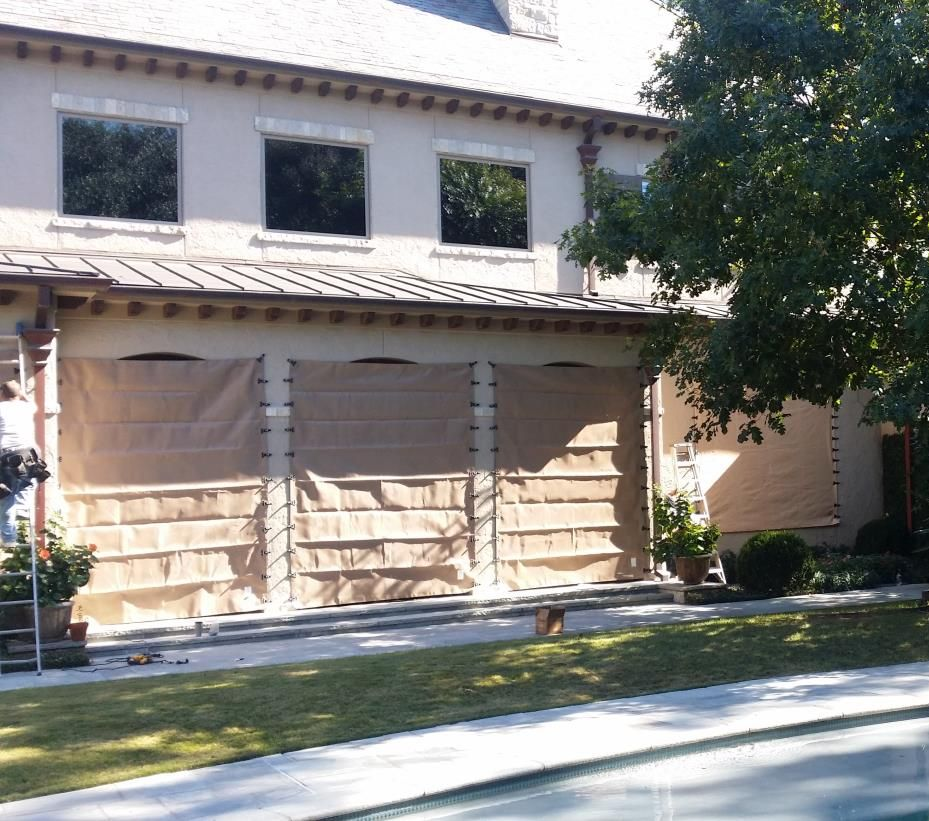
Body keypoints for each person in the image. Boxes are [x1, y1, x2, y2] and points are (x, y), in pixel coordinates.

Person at [0, 380, 39, 546]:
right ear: (19, 393)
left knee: (6, 495)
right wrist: (21, 393)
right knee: (29, 483)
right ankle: (22, 509)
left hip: (9, 455)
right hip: (29, 454)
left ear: (2, 394)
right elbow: (30, 403)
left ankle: (9, 538)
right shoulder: (27, 408)